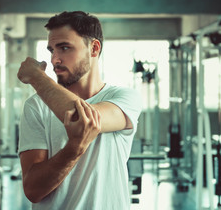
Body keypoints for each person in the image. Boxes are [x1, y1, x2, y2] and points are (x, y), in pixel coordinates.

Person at [17, 11, 142, 209]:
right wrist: (72, 150)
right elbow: (33, 190)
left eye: (64, 48)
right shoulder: (36, 106)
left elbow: (83, 119)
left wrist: (36, 77)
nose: (54, 60)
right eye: (51, 50)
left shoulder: (124, 98)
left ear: (94, 48)